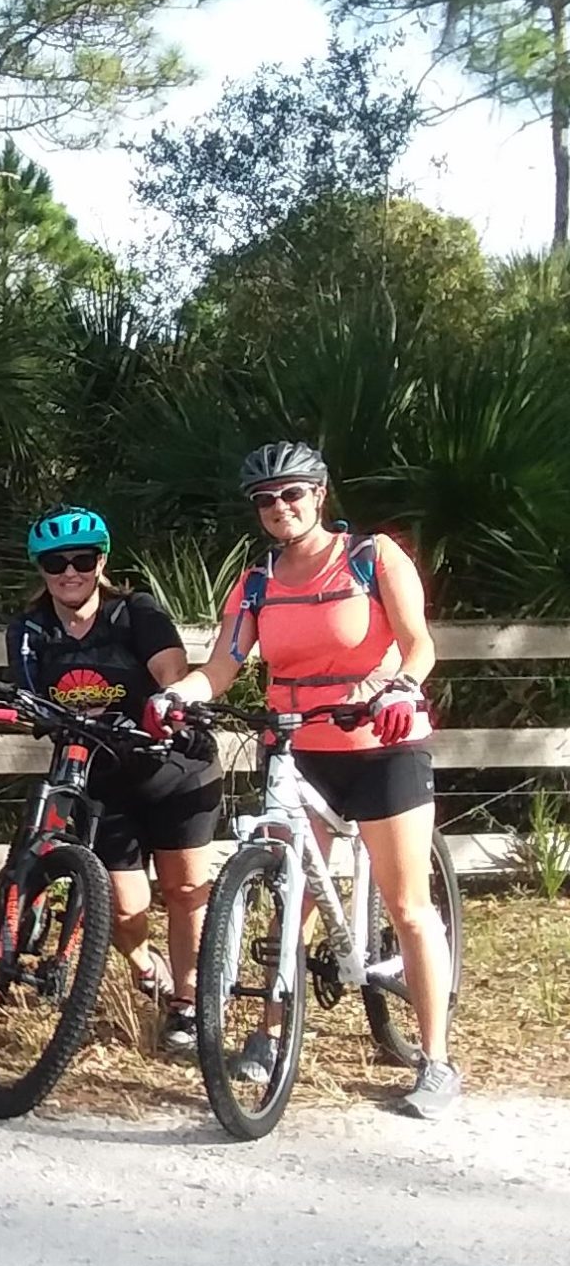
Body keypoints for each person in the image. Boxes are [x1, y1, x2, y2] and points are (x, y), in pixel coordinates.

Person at [151, 442, 457, 1116]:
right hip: (296, 749)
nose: (280, 508)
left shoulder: (372, 557)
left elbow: (419, 642)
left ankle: (435, 1059)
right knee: (293, 894)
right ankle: (269, 1033)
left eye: (293, 494)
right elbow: (225, 663)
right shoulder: (258, 580)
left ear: (320, 495)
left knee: (407, 906)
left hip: (382, 742)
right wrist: (182, 695)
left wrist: (402, 687)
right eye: (266, 500)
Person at [7, 507, 217, 1050]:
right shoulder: (31, 629)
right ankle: (148, 970)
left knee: (183, 890)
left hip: (172, 766)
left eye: (83, 559)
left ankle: (187, 1008)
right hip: (102, 780)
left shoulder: (136, 612)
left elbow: (171, 669)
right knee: (125, 908)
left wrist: (169, 700)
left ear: (102, 561)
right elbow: (28, 695)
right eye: (57, 562)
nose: (70, 571)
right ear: (41, 568)